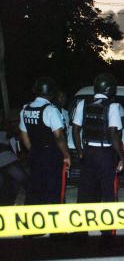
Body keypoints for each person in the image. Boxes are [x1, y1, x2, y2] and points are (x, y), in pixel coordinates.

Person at [72, 73, 124, 237]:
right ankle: (106, 232)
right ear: (109, 89)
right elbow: (114, 133)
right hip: (105, 153)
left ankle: (80, 232)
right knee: (107, 192)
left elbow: (75, 129)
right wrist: (121, 156)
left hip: (88, 152)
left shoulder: (83, 103)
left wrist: (80, 151)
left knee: (85, 192)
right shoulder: (113, 106)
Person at [19, 77, 71, 206]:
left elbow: (24, 135)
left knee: (35, 188)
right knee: (52, 190)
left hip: (35, 154)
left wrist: (33, 151)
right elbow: (59, 136)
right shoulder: (50, 110)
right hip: (51, 155)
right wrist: (66, 155)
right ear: (52, 93)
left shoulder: (25, 110)